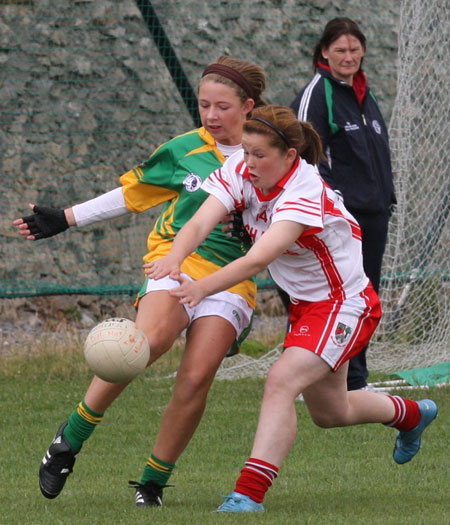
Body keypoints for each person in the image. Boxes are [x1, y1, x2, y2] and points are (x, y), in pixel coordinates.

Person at [146, 105, 437, 513]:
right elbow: (197, 222)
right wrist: (174, 259)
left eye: (259, 155)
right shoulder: (243, 170)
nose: (247, 163)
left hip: (345, 304)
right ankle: (411, 415)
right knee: (331, 412)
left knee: (281, 381)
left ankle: (248, 495)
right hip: (308, 306)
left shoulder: (304, 190)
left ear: (289, 157)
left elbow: (255, 261)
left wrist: (200, 288)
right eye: (244, 152)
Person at [13, 55, 267, 507]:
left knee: (195, 377)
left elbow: (298, 213)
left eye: (222, 107)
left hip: (231, 279)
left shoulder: (271, 151)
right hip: (173, 261)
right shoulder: (185, 149)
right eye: (204, 104)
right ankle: (68, 440)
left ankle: (151, 484)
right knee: (145, 344)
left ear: (248, 106)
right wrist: (65, 219)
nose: (211, 115)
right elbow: (131, 194)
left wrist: (253, 229)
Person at [290, 17, 396, 391]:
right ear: (324, 52)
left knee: (365, 299)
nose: (348, 57)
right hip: (339, 222)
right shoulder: (319, 94)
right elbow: (302, 157)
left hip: (375, 215)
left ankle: (355, 379)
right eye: (340, 50)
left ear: (363, 51)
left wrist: (386, 198)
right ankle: (310, 380)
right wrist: (335, 205)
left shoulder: (364, 94)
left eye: (354, 50)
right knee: (333, 299)